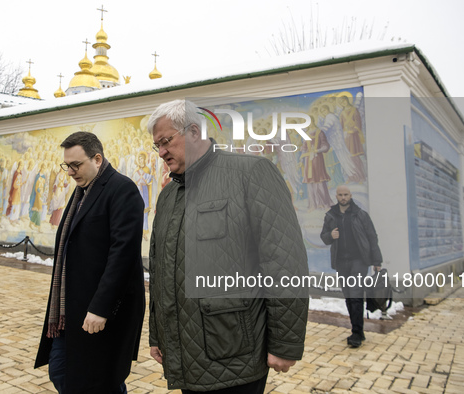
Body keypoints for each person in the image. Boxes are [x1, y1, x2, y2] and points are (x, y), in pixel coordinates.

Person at [147, 99, 309, 393]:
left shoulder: (251, 173)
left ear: (194, 131)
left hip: (235, 350)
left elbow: (284, 261)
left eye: (166, 141)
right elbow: (159, 269)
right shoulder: (168, 195)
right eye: (156, 145)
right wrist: (157, 335)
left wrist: (285, 342)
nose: (161, 152)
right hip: (184, 351)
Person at [34, 131, 146, 393]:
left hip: (101, 311)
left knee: (99, 379)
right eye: (67, 165)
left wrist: (101, 308)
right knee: (62, 370)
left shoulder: (121, 189)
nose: (71, 172)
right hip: (71, 309)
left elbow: (123, 253)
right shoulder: (81, 193)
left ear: (97, 159)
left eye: (76, 165)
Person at [320, 185, 382, 348]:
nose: (343, 197)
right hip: (341, 262)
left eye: (346, 194)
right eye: (340, 195)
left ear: (350, 195)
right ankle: (358, 330)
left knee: (355, 294)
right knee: (349, 296)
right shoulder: (331, 216)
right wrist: (330, 236)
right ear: (336, 196)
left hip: (358, 261)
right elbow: (324, 237)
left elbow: (372, 237)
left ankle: (356, 332)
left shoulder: (360, 215)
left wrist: (377, 261)